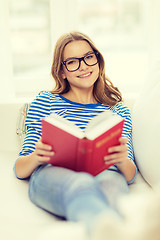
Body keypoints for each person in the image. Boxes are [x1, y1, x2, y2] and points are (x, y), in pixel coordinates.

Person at [14, 31, 137, 238]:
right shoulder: (45, 102)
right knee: (81, 184)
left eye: (89, 57)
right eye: (72, 62)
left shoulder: (118, 110)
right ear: (61, 72)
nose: (84, 66)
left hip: (107, 173)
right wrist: (37, 156)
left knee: (113, 191)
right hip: (54, 172)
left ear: (98, 60)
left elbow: (130, 174)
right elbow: (20, 169)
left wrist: (122, 159)